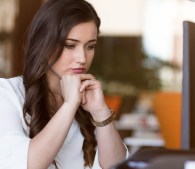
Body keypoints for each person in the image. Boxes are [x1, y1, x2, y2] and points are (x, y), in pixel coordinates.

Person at [0, 0, 128, 168]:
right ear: (44, 42)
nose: (82, 58)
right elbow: (27, 164)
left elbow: (118, 166)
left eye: (90, 46)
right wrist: (69, 105)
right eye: (70, 45)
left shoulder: (88, 103)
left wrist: (100, 111)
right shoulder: (7, 93)